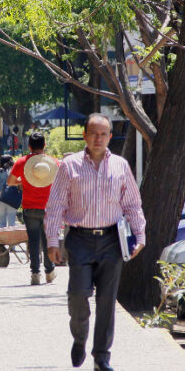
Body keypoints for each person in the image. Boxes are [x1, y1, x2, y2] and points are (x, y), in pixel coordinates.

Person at [44, 113, 145, 371]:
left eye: (103, 134)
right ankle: (79, 338)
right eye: (94, 133)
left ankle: (102, 357)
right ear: (85, 136)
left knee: (106, 301)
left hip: (112, 240)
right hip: (79, 240)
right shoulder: (70, 166)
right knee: (78, 295)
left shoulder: (121, 165)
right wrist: (53, 241)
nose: (98, 138)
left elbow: (132, 204)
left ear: (110, 137)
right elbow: (55, 205)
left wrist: (140, 235)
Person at [8, 132, 60, 285]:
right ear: (44, 145)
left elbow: (10, 182)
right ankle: (49, 271)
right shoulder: (54, 163)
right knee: (48, 241)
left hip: (29, 207)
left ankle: (35, 274)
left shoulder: (22, 162)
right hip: (49, 209)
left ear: (29, 146)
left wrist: (23, 180)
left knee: (33, 240)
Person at [0, 154, 16, 228]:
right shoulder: (12, 172)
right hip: (12, 199)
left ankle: (2, 239)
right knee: (12, 224)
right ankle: (12, 239)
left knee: (2, 224)